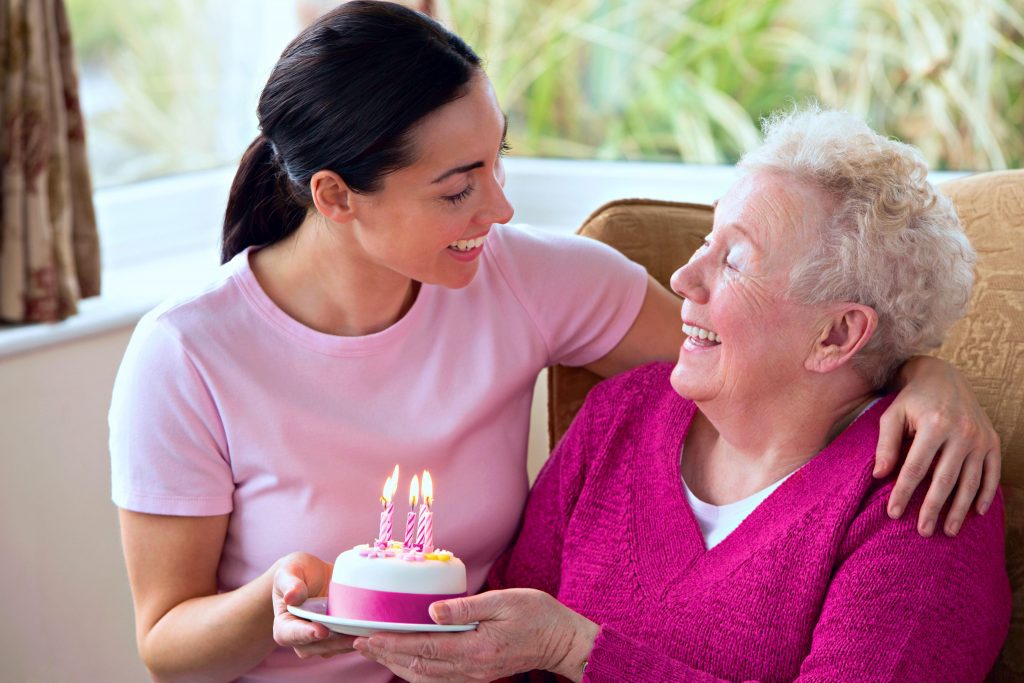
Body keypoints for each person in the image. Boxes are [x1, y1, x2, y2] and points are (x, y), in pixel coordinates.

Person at [108, 3, 999, 681]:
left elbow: (796, 360)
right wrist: (276, 598)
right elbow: (165, 643)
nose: (498, 209)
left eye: (499, 160)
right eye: (457, 188)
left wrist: (926, 375)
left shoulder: (539, 280)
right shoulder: (185, 353)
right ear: (336, 196)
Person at [353, 107, 1012, 682]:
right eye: (707, 240)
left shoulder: (919, 499)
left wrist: (576, 650)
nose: (683, 276)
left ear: (836, 334)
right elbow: (499, 655)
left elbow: (547, 643)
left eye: (734, 260)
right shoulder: (622, 415)